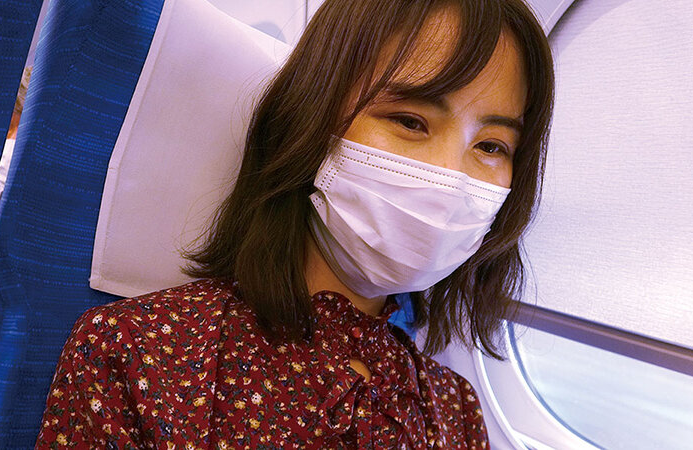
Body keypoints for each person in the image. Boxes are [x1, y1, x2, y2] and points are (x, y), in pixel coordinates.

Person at [36, 0, 554, 448]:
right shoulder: (136, 354)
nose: (450, 176)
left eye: (491, 146)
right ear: (313, 119)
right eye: (408, 120)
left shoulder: (455, 409)